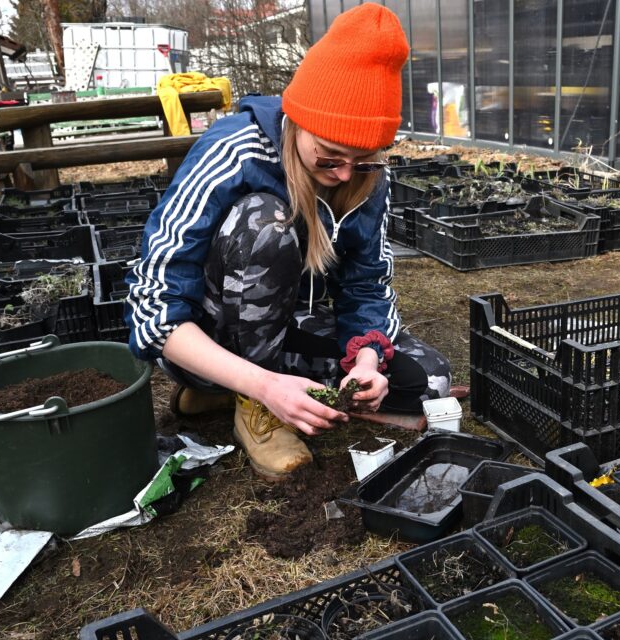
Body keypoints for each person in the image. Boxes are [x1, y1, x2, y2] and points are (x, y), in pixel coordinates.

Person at [124, 4, 451, 481]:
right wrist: (263, 385)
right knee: (265, 222)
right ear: (298, 122)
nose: (343, 174)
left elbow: (368, 287)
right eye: (330, 156)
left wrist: (365, 360)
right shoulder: (233, 151)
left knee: (431, 379)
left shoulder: (366, 179)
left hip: (293, 324)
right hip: (215, 332)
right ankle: (250, 402)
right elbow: (152, 311)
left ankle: (241, 389)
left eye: (363, 160)